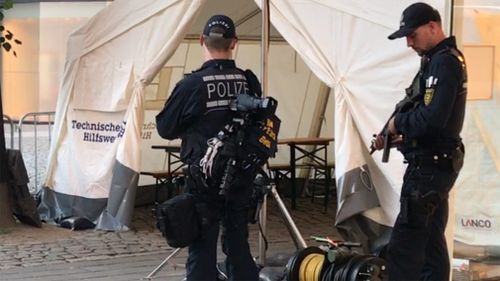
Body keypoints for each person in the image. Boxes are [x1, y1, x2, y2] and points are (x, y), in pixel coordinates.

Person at [155, 15, 260, 281]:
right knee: (237, 240)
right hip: (240, 174)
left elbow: (166, 128)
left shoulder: (192, 85)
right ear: (234, 43)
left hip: (204, 176)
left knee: (202, 243)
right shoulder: (248, 82)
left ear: (201, 40)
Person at [372, 2, 467, 280]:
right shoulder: (436, 59)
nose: (409, 43)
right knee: (431, 246)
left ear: (432, 27)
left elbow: (432, 118)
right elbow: (422, 110)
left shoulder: (444, 62)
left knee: (404, 249)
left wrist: (397, 124)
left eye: (412, 35)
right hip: (434, 166)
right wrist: (395, 134)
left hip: (428, 171)